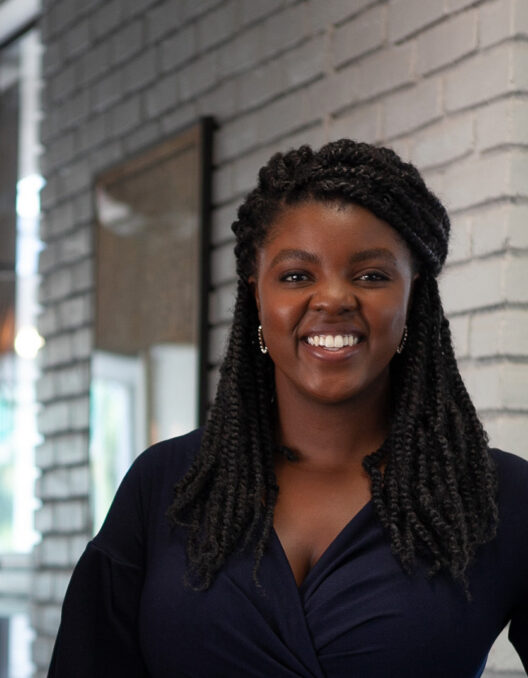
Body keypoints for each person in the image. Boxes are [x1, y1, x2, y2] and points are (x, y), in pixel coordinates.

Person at [48, 139, 528, 677]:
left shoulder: (497, 497)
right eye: (297, 276)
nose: (333, 299)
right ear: (256, 293)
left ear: (413, 295)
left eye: (372, 275)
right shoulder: (166, 485)